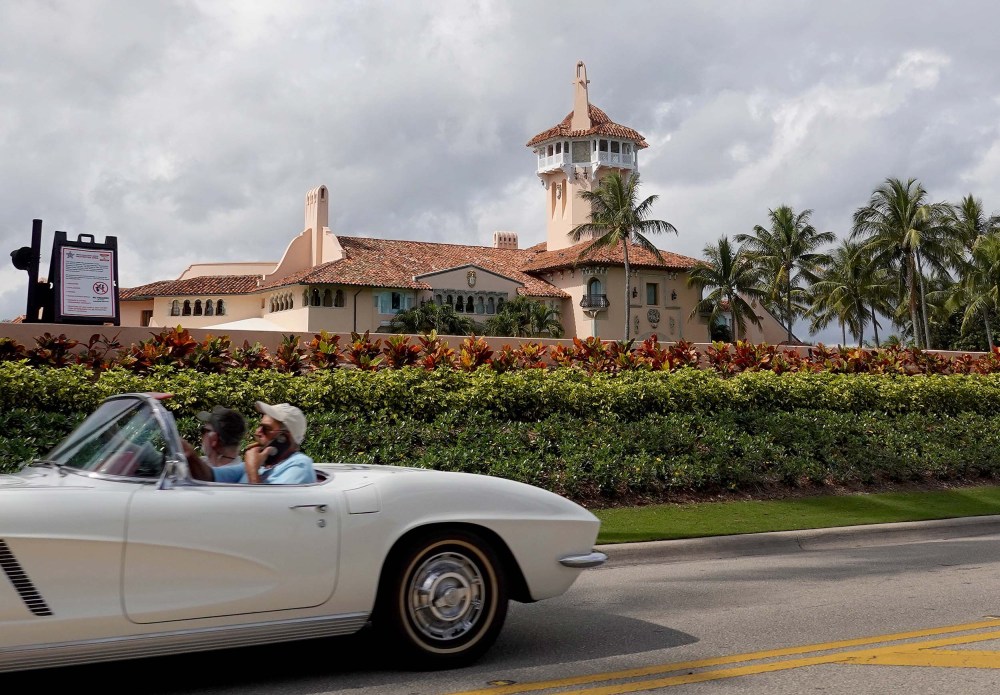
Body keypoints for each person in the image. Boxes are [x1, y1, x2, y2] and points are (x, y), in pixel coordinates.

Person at [211, 401, 316, 485]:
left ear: (283, 438)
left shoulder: (299, 466)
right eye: (259, 426)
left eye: (266, 429)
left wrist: (252, 470)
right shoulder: (262, 464)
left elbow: (268, 510)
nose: (257, 432)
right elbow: (209, 476)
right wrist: (193, 457)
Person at [182, 405, 247, 481]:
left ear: (214, 438)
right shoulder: (244, 473)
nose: (201, 435)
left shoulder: (196, 468)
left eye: (204, 430)